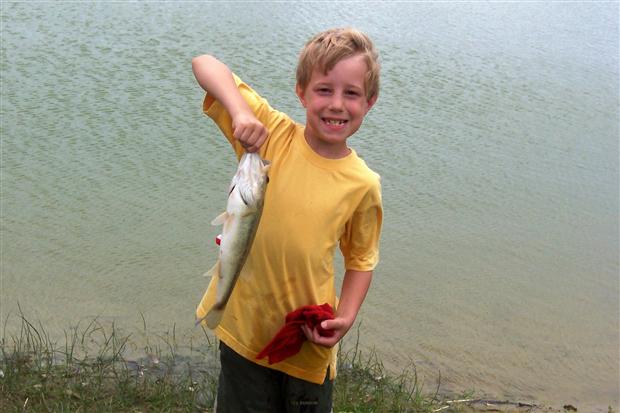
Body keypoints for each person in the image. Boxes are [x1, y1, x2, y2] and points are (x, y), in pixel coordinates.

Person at [192, 27, 383, 413]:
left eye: (351, 93)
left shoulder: (363, 183)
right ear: (301, 92)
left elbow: (361, 260)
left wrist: (344, 318)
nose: (336, 105)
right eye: (324, 89)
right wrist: (241, 112)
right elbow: (205, 65)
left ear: (370, 101)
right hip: (243, 329)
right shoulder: (272, 135)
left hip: (306, 342)